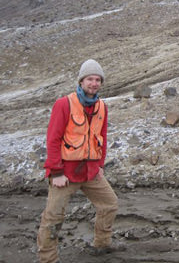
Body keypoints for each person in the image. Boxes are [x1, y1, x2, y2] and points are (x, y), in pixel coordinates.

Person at [37, 59, 121, 263]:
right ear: (81, 81)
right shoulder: (64, 104)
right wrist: (56, 172)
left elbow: (102, 136)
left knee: (110, 204)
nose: (94, 83)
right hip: (65, 173)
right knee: (53, 216)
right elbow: (53, 139)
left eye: (98, 80)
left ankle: (102, 244)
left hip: (91, 172)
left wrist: (99, 165)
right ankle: (48, 259)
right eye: (90, 79)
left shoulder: (101, 106)